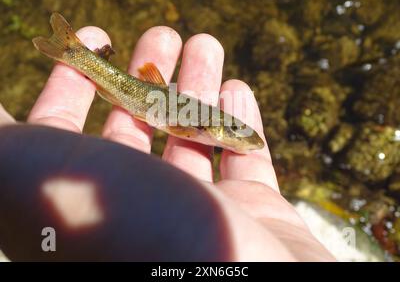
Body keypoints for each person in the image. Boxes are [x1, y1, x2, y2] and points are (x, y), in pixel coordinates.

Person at [0, 25, 335, 261]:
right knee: (114, 77)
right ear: (214, 127)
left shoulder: (207, 126)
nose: (239, 138)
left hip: (144, 95)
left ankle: (75, 53)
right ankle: (75, 53)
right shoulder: (199, 125)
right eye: (233, 130)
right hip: (138, 93)